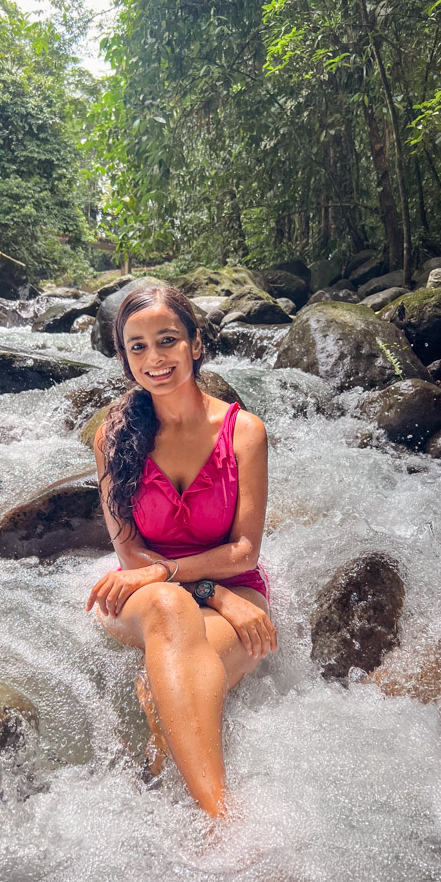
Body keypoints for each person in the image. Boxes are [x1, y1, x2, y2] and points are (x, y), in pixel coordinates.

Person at [85, 283, 277, 817]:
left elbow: (244, 553)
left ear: (195, 343)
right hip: (143, 593)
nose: (154, 358)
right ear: (124, 357)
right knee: (171, 610)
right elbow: (129, 557)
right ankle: (223, 818)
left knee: (166, 687)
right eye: (137, 346)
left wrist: (218, 588)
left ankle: (162, 771)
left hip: (237, 588)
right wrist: (210, 592)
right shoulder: (114, 436)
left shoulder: (245, 433)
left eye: (166, 340)